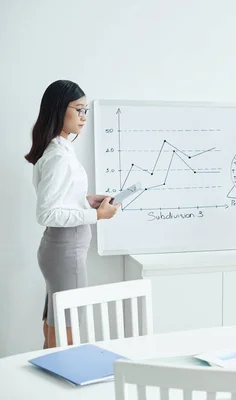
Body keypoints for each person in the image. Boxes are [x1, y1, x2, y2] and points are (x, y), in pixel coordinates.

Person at [25, 80, 120, 348]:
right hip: (65, 252)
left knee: (56, 323)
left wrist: (86, 201)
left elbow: (60, 200)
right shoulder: (58, 156)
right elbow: (47, 213)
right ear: (58, 109)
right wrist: (97, 216)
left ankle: (45, 385)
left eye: (85, 110)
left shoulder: (59, 149)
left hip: (60, 250)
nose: (84, 116)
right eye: (78, 109)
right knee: (66, 334)